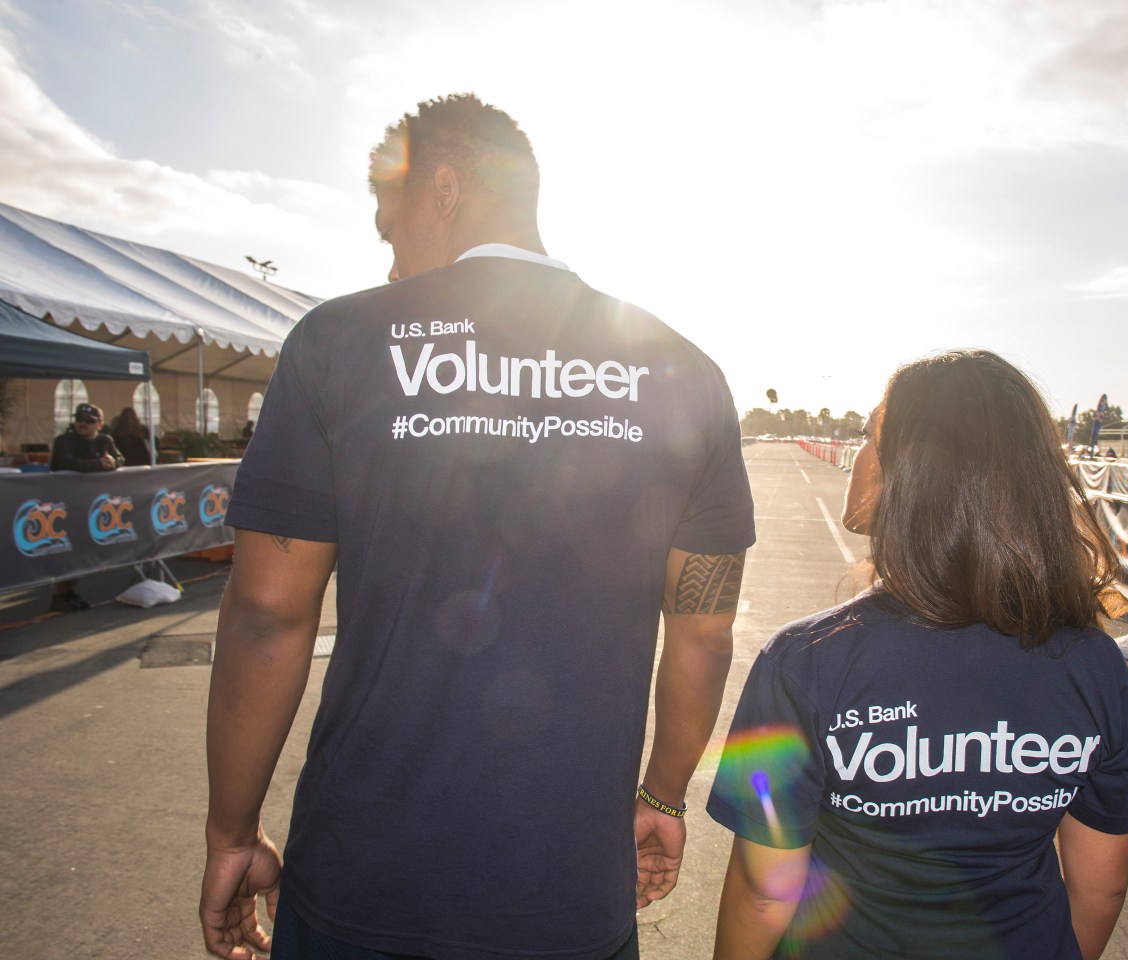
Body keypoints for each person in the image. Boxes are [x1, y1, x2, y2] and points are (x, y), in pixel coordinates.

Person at [200, 94, 756, 960]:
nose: (391, 263)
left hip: (362, 881)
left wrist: (232, 833)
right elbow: (705, 630)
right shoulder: (683, 370)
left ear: (445, 190)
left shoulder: (339, 342)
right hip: (567, 893)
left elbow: (269, 611)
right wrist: (663, 795)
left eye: (390, 231)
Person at [709, 350, 1128, 960]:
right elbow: (1101, 887)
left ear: (914, 470)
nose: (859, 454)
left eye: (871, 435)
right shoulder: (1093, 664)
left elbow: (764, 892)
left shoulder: (805, 662)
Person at [47, 402, 125, 611]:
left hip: (92, 506)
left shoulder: (105, 440)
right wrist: (98, 465)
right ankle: (60, 593)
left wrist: (112, 462)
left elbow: (120, 459)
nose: (83, 424)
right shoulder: (64, 440)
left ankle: (70, 591)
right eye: (79, 419)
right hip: (65, 505)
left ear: (99, 424)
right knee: (65, 551)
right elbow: (67, 463)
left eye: (89, 421)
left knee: (80, 552)